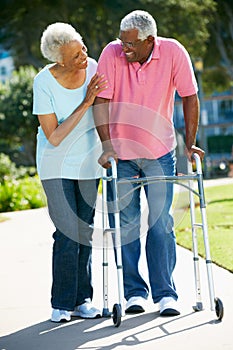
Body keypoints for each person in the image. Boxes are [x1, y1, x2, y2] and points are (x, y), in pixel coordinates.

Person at [94, 10, 205, 316]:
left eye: (129, 42)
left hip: (160, 152)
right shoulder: (111, 54)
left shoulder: (173, 52)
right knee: (127, 224)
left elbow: (190, 96)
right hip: (122, 155)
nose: (123, 47)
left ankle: (166, 294)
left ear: (150, 41)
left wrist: (191, 141)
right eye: (121, 40)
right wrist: (107, 146)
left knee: (160, 223)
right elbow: (101, 101)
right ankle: (134, 294)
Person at [33, 22, 107, 322]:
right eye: (75, 55)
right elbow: (54, 136)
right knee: (67, 233)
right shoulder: (43, 82)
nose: (84, 57)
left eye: (83, 47)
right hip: (56, 163)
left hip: (88, 163)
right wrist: (86, 101)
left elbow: (106, 107)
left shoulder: (93, 67)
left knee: (84, 232)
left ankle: (82, 299)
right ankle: (61, 303)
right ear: (59, 60)